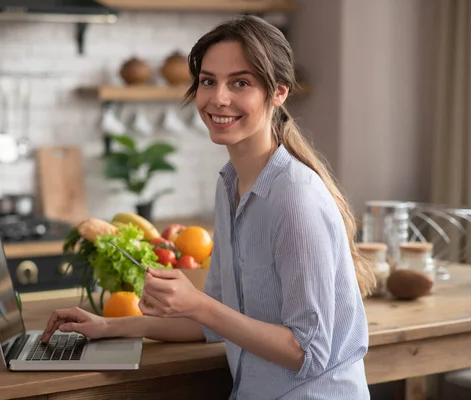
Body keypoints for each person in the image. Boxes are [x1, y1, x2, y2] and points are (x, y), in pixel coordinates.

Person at [41, 15, 376, 400]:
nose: (218, 98)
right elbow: (215, 320)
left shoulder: (295, 199)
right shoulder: (230, 184)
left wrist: (199, 305)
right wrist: (107, 327)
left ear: (279, 93)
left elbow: (306, 353)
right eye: (208, 81)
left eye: (240, 83)